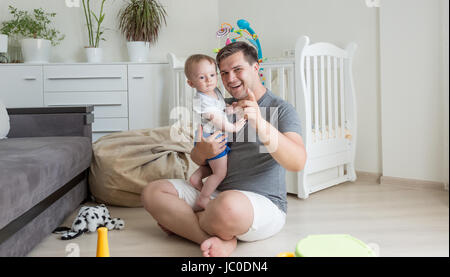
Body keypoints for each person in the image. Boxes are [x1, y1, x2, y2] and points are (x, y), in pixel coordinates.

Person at [141, 41, 307, 257]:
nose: (230, 79)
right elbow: (198, 157)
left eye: (238, 70)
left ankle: (185, 223)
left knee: (226, 206)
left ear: (256, 68)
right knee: (152, 192)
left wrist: (259, 122)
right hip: (217, 193)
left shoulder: (280, 109)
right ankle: (221, 239)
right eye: (224, 73)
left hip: (261, 204)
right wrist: (204, 151)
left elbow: (297, 162)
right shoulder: (219, 106)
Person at [184, 54, 246, 210]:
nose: (209, 80)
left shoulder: (214, 91)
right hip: (211, 140)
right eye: (202, 77)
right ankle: (203, 199)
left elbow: (221, 107)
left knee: (213, 166)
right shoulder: (202, 101)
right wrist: (235, 127)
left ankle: (196, 177)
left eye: (212, 75)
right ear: (191, 83)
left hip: (214, 136)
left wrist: (229, 109)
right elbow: (218, 120)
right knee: (220, 173)